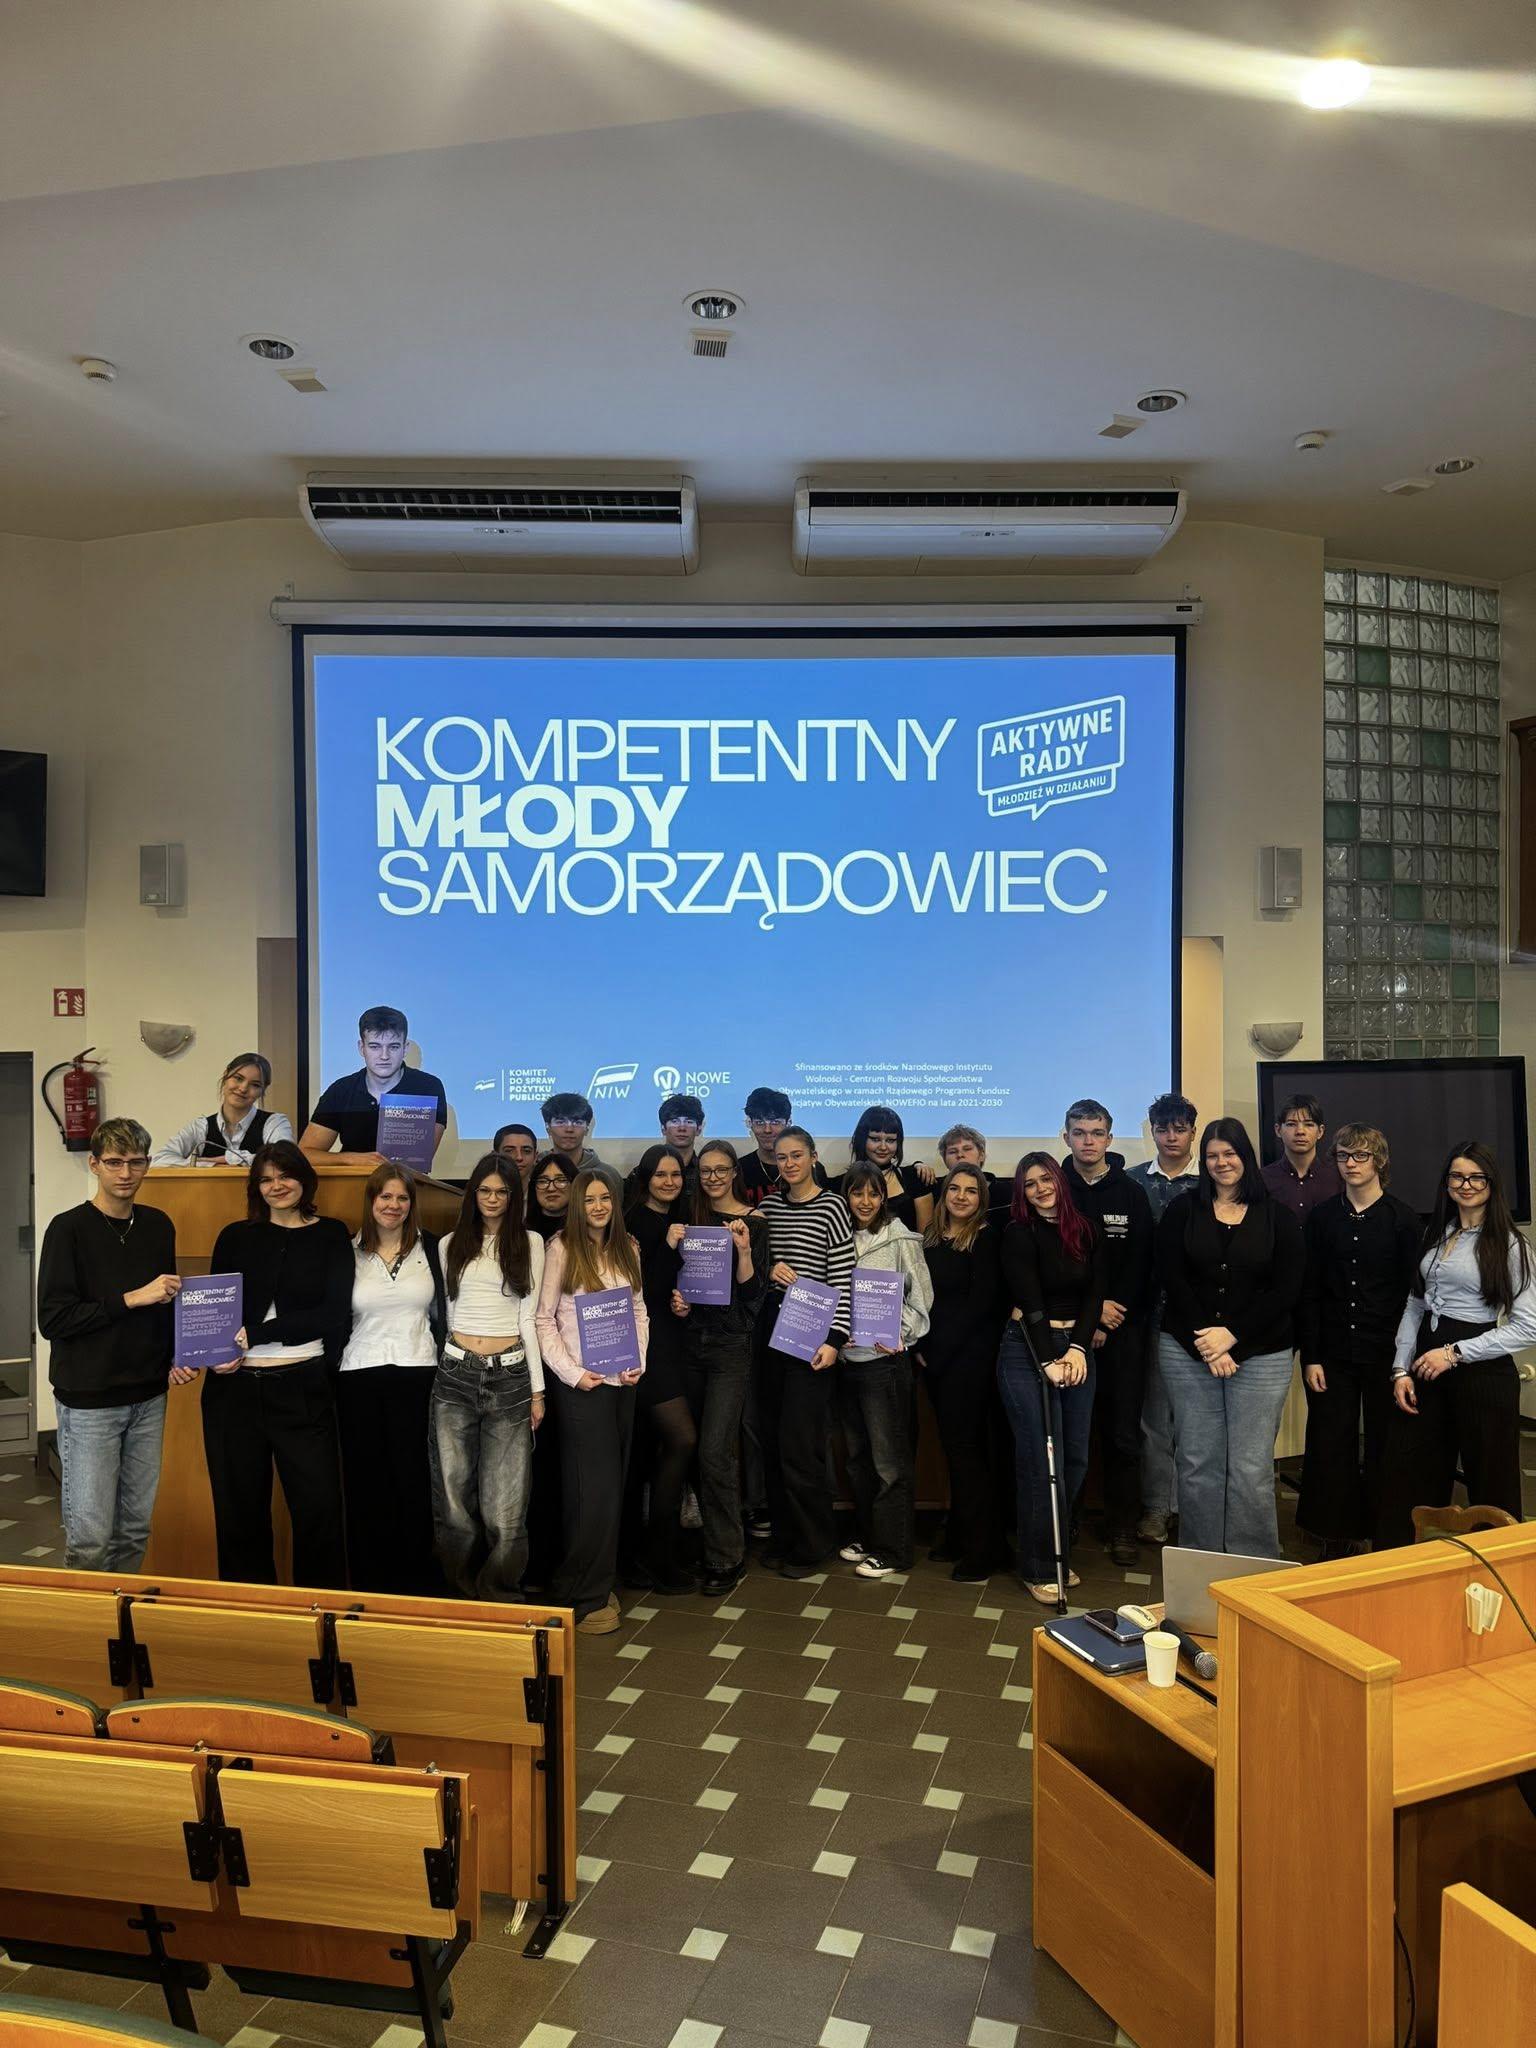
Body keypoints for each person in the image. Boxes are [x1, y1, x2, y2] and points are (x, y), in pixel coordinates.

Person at [203, 1142, 353, 1586]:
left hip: (303, 1386)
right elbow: (214, 1309)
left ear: (304, 1178)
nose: (276, 1186)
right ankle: (251, 1612)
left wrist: (258, 1334)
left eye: (285, 1175)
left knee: (319, 1509)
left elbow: (333, 1314)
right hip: (233, 1393)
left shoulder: (332, 1234)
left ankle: (320, 1611)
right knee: (238, 1513)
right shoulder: (234, 1236)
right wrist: (211, 1354)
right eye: (266, 1179)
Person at [1375, 1140, 1536, 1550]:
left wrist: (1454, 1354)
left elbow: (1528, 1327)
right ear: (1446, 1183)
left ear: (1491, 1184)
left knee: (1492, 1488)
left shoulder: (1511, 1246)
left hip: (1482, 1374)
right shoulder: (1436, 1234)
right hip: (1426, 1367)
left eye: (1476, 1177)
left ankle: (1496, 1575)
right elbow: (1415, 1303)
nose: (1466, 1185)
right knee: (1407, 1478)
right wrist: (1400, 1368)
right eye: (1457, 1177)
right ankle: (1406, 1570)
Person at [1157, 1119, 1306, 1558]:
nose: (1221, 1163)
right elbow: (1171, 1278)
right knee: (1196, 1462)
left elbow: (1287, 1289)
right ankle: (1200, 1560)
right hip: (1187, 1350)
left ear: (1246, 1157)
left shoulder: (1278, 1217)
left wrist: (1232, 1337)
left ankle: (1250, 1565)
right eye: (1212, 1155)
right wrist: (1209, 1343)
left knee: (1250, 1466)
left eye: (1230, 1153)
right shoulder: (1183, 1210)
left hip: (1262, 1354)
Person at [37, 1118, 180, 1572]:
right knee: (91, 1540)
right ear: (94, 1165)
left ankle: (120, 1615)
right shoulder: (68, 1229)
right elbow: (54, 1320)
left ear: (148, 1164)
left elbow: (165, 1306)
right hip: (90, 1402)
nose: (125, 1173)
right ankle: (88, 1620)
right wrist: (131, 1298)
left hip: (149, 1396)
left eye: (136, 1162)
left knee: (134, 1529)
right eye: (115, 1162)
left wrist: (180, 1354)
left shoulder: (158, 1225)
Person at [1297, 1126, 1420, 1559]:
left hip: (1386, 1351)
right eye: (1343, 1155)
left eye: (1360, 1156)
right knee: (1331, 1443)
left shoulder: (1403, 1220)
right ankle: (1334, 1536)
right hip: (1332, 1351)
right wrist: (1311, 1356)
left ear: (1379, 1161)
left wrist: (1404, 1362)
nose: (1350, 1163)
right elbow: (1309, 1289)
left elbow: (1414, 1296)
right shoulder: (1322, 1218)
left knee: (1387, 1444)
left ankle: (1384, 1535)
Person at [536, 1168, 648, 1633]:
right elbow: (543, 1320)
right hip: (583, 1387)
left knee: (610, 1491)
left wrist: (638, 1359)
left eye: (605, 1199)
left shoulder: (629, 1248)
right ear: (577, 1206)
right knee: (591, 1494)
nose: (598, 1207)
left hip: (623, 1383)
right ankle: (583, 1598)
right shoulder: (561, 1248)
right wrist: (573, 1374)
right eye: (589, 1200)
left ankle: (591, 1583)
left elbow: (639, 1310)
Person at [430, 1152, 545, 1600]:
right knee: (453, 1501)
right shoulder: (450, 1244)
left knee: (505, 1507)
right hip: (455, 1372)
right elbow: (449, 1311)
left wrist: (537, 1391)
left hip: (511, 1375)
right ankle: (459, 1596)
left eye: (502, 1192)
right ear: (472, 1193)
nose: (492, 1199)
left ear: (514, 1197)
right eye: (484, 1190)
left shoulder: (530, 1242)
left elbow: (528, 1318)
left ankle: (500, 1595)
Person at [998, 1153, 1104, 1603]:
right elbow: (1032, 1302)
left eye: (1046, 1179)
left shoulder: (1086, 1229)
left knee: (1074, 1458)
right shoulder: (1018, 1233)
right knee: (1043, 1462)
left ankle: (1057, 1551)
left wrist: (1078, 1348)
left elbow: (1095, 1296)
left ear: (1060, 1180)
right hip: (1026, 1348)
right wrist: (1047, 1360)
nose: (1040, 1189)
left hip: (1075, 1348)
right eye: (1030, 1184)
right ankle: (1039, 1565)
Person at [337, 1162, 446, 1594]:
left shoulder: (432, 1248)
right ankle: (371, 1587)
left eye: (402, 1197)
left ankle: (416, 1587)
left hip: (418, 1373)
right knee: (367, 1485)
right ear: (371, 1200)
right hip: (358, 1376)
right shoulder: (347, 1249)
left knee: (414, 1480)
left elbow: (443, 1313)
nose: (394, 1205)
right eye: (385, 1196)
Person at [670, 1139, 768, 1595]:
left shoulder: (754, 1222)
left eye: (720, 1169)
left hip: (730, 1348)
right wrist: (679, 1302)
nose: (712, 1177)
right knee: (690, 1449)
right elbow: (673, 1282)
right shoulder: (687, 1221)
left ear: (734, 1173)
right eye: (705, 1170)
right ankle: (701, 1544)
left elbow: (753, 1299)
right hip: (689, 1345)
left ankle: (727, 1557)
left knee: (715, 1452)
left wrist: (744, 1253)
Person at [1059, 1098, 1154, 1566]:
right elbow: (1051, 1260)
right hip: (1066, 1331)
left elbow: (1143, 1263)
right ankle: (1067, 1520)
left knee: (1121, 1435)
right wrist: (1089, 1317)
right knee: (1069, 1433)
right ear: (1066, 1137)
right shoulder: (1054, 1189)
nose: (1088, 1141)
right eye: (1080, 1133)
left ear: (1110, 1139)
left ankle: (1122, 1527)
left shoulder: (1131, 1192)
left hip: (1123, 1331)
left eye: (1097, 1133)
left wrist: (1110, 1316)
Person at [757, 1126, 855, 1577]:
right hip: (771, 1334)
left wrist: (834, 1340)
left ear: (814, 1157)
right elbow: (752, 1266)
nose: (790, 1164)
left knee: (802, 1447)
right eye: (782, 1157)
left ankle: (814, 1543)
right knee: (774, 1443)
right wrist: (766, 1268)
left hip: (813, 1336)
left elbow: (843, 1276)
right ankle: (785, 1536)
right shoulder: (768, 1208)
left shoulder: (833, 1206)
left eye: (797, 1155)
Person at [836, 1162, 933, 1579]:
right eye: (856, 1193)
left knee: (889, 1463)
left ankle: (894, 1549)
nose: (865, 1202)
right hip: (845, 1362)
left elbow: (921, 1301)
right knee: (858, 1459)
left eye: (873, 1193)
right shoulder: (837, 1238)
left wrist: (900, 1334)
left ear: (884, 1197)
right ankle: (869, 1536)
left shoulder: (901, 1239)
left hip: (884, 1366)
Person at [918, 1163, 1008, 1582]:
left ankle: (983, 1549)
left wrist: (937, 1353)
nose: (961, 1196)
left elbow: (980, 1306)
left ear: (981, 1199)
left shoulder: (987, 1238)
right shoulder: (931, 1238)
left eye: (971, 1191)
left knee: (968, 1453)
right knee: (954, 1452)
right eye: (954, 1188)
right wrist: (922, 1347)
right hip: (936, 1359)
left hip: (969, 1361)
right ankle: (959, 1533)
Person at [622, 1144, 699, 1593]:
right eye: (660, 1174)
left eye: (676, 1174)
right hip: (644, 1349)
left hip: (674, 1342)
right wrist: (670, 1248)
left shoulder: (685, 1217)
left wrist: (684, 1302)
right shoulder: (632, 1222)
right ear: (646, 1178)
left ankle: (652, 1554)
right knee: (681, 1438)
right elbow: (637, 1290)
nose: (669, 1182)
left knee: (652, 1451)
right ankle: (655, 1555)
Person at [1126, 1092, 1200, 1545]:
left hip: (1199, 1319)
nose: (1171, 1137)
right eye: (1163, 1129)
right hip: (1148, 1316)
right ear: (1151, 1132)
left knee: (1196, 1422)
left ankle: (1191, 1509)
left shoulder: (1212, 1180)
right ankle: (1156, 1507)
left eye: (1180, 1128)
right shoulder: (1133, 1181)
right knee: (1154, 1421)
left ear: (1192, 1130)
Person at [301, 1006, 448, 1167]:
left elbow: (417, 1160)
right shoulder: (340, 1090)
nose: (384, 1056)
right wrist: (351, 1159)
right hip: (350, 1180)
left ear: (405, 1048)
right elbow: (305, 1154)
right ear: (361, 1048)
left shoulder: (428, 1088)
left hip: (402, 1182)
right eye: (374, 1046)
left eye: (393, 1047)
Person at [152, 1053, 293, 1165]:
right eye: (238, 1078)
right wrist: (208, 1164)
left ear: (262, 1091)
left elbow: (286, 1159)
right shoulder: (200, 1127)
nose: (243, 1088)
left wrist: (228, 1158)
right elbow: (159, 1160)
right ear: (226, 1077)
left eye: (255, 1085)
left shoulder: (275, 1122)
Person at [839, 1106, 934, 1234]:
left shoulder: (916, 1178)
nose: (883, 1147)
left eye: (890, 1140)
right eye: (875, 1139)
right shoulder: (840, 1183)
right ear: (862, 1140)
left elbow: (925, 1238)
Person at [738, 1087, 827, 1205]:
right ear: (750, 1123)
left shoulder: (810, 1167)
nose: (767, 1130)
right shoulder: (740, 1169)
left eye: (775, 1122)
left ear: (788, 1122)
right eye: (760, 1122)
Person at [1261, 1093, 1341, 1222]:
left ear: (1320, 1131)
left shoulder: (1337, 1177)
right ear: (1278, 1130)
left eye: (1308, 1124)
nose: (1300, 1131)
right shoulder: (1262, 1179)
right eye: (1291, 1124)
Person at [937, 1125, 1011, 1220]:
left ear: (982, 1155)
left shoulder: (1006, 1191)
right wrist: (919, 1164)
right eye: (952, 1151)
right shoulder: (935, 1188)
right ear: (944, 1159)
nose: (960, 1155)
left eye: (967, 1149)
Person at [540, 1092, 602, 1172]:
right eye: (560, 1122)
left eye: (578, 1122)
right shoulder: (534, 1171)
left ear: (587, 1128)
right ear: (548, 1128)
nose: (569, 1129)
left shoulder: (607, 1173)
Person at [528, 1151, 577, 1240]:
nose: (551, 1188)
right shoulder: (521, 1232)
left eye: (561, 1180)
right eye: (543, 1181)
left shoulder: (587, 1230)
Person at [658, 1093, 706, 1176]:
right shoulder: (647, 1171)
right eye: (675, 1121)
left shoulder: (705, 1172)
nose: (682, 1128)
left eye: (689, 1122)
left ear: (699, 1129)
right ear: (663, 1128)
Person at [494, 1124, 539, 1190]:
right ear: (495, 1156)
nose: (519, 1157)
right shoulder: (483, 1195)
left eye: (526, 1151)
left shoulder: (544, 1194)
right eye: (509, 1151)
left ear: (535, 1157)